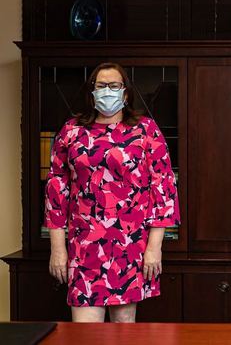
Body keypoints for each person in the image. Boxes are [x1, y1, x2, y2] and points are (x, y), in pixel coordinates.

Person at [45, 62, 180, 322]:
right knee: (85, 337)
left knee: (123, 332)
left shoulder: (145, 130)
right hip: (84, 247)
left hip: (130, 246)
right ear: (92, 93)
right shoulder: (71, 131)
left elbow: (163, 188)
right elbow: (56, 191)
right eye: (101, 86)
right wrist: (57, 248)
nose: (107, 91)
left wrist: (155, 247)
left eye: (114, 85)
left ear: (126, 93)